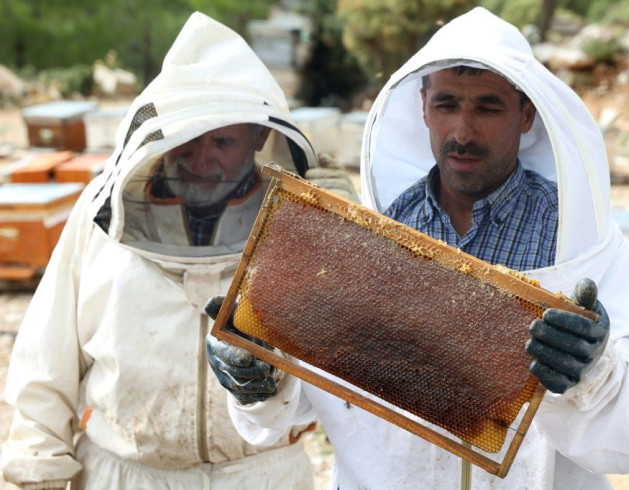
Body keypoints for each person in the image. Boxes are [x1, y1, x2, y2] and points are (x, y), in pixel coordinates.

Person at [205, 7, 629, 489]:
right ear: (422, 107)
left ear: (526, 115)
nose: (462, 132)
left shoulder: (579, 243)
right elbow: (304, 403)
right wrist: (260, 379)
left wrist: (595, 372)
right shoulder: (374, 232)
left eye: (487, 107)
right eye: (447, 104)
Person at [0, 12, 360, 490]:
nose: (200, 160)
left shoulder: (300, 222)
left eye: (223, 141)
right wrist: (35, 475)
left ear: (260, 137)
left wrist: (352, 242)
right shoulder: (103, 212)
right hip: (126, 474)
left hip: (262, 475)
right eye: (187, 137)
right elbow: (45, 366)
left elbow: (358, 373)